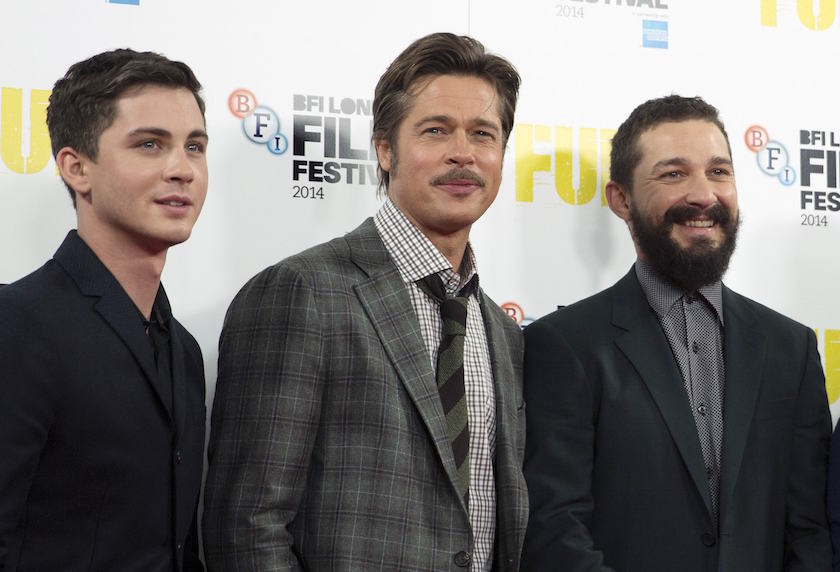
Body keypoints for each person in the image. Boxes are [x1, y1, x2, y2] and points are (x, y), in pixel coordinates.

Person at [203, 32, 527, 571]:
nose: (463, 153)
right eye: (435, 130)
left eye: (483, 134)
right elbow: (246, 526)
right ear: (384, 148)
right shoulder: (301, 293)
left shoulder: (504, 333)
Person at [521, 95, 832, 570]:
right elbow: (555, 527)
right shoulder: (566, 345)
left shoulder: (791, 348)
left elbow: (810, 531)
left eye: (719, 172)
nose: (703, 194)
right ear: (621, 200)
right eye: (673, 174)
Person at [0, 49, 209, 571]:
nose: (182, 169)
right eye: (149, 145)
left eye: (195, 147)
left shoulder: (183, 349)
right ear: (76, 168)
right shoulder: (17, 325)